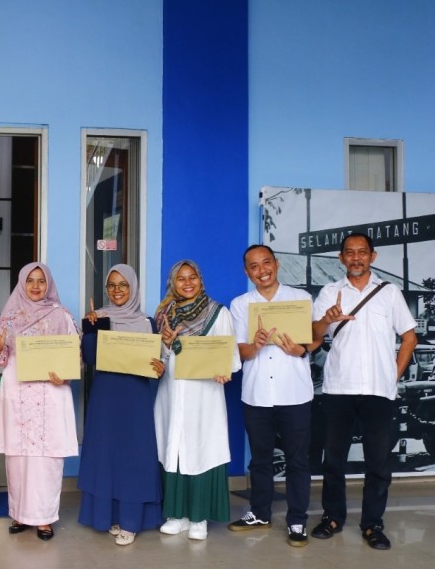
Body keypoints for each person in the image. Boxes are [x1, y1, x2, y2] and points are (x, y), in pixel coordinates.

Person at [310, 233, 416, 551]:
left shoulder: (389, 293)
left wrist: (391, 377)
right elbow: (313, 339)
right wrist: (325, 320)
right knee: (334, 461)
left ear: (373, 256)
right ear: (341, 258)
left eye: (362, 252)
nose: (356, 258)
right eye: (349, 253)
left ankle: (372, 524)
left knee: (379, 463)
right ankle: (332, 517)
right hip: (339, 389)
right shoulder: (330, 292)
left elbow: (409, 338)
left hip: (377, 392)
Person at [228, 245, 321, 547]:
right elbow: (238, 351)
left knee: (297, 460)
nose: (261, 270)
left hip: (294, 392)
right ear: (247, 272)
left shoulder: (300, 298)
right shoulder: (241, 304)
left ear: (276, 264)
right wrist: (254, 345)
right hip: (256, 394)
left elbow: (316, 337)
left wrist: (302, 349)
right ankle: (259, 513)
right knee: (260, 460)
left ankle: (297, 520)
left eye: (266, 263)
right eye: (254, 266)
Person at [0, 262, 79, 542]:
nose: (36, 286)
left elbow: (74, 356)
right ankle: (19, 514)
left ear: (49, 284)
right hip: (19, 392)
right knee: (19, 458)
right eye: (30, 281)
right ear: (22, 284)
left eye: (41, 281)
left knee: (47, 459)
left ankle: (45, 518)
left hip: (50, 392)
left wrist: (64, 376)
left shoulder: (61, 316)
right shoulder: (10, 317)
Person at [77, 264, 164, 546]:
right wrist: (91, 328)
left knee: (134, 457)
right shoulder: (98, 317)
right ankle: (110, 516)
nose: (117, 291)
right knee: (107, 455)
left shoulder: (148, 322)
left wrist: (160, 367)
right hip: (106, 396)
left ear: (133, 288)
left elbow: (156, 362)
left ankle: (131, 520)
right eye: (111, 285)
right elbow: (90, 358)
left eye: (123, 285)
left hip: (136, 397)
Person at [154, 259, 241, 541]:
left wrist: (223, 371)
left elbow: (230, 358)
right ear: (173, 283)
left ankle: (199, 516)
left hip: (204, 396)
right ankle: (176, 514)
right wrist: (166, 345)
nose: (187, 282)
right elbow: (159, 360)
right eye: (181, 278)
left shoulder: (218, 313)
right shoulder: (164, 313)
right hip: (171, 393)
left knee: (201, 450)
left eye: (193, 277)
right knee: (174, 450)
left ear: (201, 281)